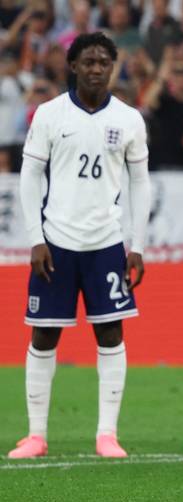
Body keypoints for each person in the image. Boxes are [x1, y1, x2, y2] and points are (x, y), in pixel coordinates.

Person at [9, 32, 152, 459]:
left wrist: (138, 245)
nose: (95, 69)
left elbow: (140, 184)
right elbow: (29, 177)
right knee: (44, 333)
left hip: (106, 242)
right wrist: (35, 239)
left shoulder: (129, 119)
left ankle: (107, 435)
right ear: (72, 66)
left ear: (112, 67)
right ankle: (36, 436)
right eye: (88, 61)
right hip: (56, 241)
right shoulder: (50, 114)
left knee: (110, 332)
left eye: (103, 62)